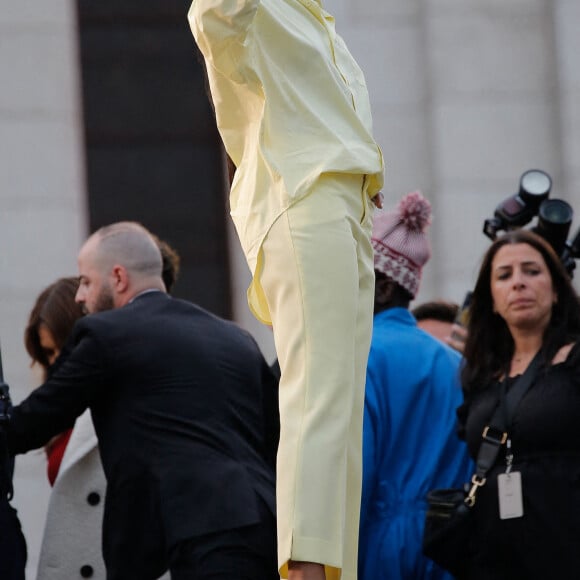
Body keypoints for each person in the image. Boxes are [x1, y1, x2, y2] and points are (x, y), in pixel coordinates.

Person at [188, 1, 384, 578]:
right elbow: (211, 14)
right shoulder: (250, 6)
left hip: (348, 202)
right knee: (317, 391)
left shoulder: (317, 17)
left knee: (344, 403)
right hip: (302, 196)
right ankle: (305, 565)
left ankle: (333, 567)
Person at [8, 221, 278, 580]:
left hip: (200, 539)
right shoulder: (235, 337)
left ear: (118, 278)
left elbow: (32, 423)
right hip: (265, 527)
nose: (79, 297)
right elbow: (272, 436)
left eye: (86, 282)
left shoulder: (104, 335)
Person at [359, 191, 473, 580]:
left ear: (385, 288)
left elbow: (355, 474)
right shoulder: (459, 365)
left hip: (384, 547)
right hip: (454, 544)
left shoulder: (360, 357)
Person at [457, 229, 580, 579]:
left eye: (532, 271)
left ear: (556, 289)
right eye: (504, 275)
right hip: (494, 556)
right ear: (492, 299)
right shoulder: (478, 375)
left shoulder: (575, 360)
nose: (518, 283)